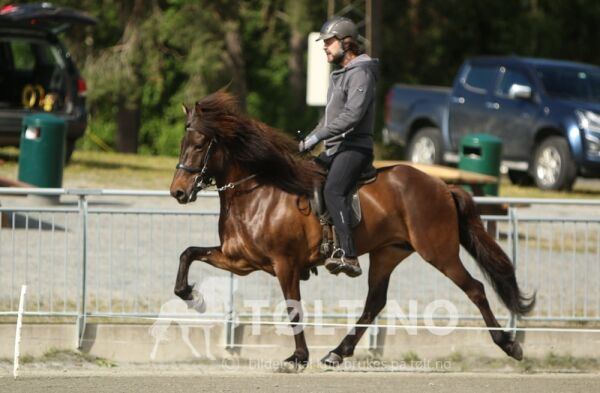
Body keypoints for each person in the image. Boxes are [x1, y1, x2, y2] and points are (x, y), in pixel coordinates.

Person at [299, 16, 379, 278]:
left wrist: (318, 136)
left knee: (333, 190)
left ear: (346, 42)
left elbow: (352, 116)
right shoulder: (338, 75)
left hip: (356, 147)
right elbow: (329, 119)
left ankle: (350, 255)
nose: (325, 46)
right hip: (335, 148)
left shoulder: (362, 73)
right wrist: (308, 140)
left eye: (329, 42)